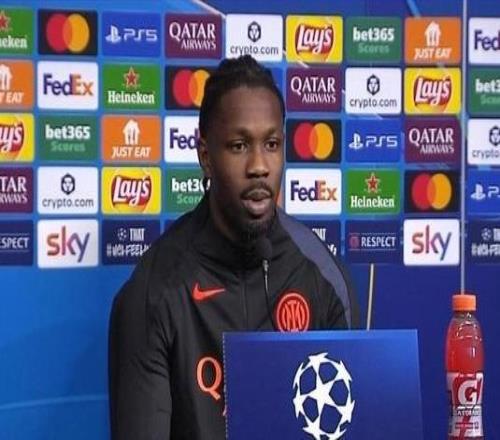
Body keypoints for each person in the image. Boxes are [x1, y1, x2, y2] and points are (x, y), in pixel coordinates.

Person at [108, 55, 358, 440]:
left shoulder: (323, 277)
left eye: (271, 144)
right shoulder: (153, 294)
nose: (259, 166)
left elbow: (351, 423)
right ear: (205, 156)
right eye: (239, 146)